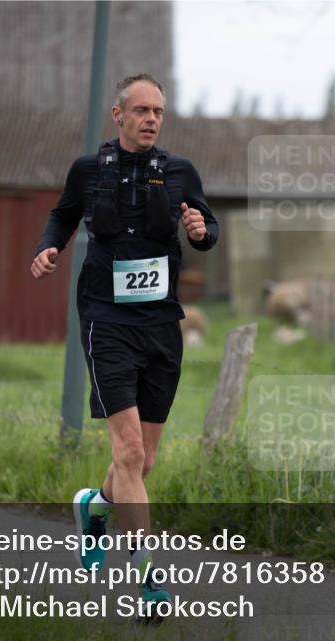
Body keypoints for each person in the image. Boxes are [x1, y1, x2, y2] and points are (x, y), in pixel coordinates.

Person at [31, 73, 218, 611]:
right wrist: (48, 249)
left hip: (161, 326)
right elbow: (62, 216)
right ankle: (147, 584)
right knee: (129, 451)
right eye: (141, 110)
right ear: (119, 116)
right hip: (106, 320)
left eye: (158, 111)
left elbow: (209, 227)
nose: (152, 119)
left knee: (145, 461)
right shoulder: (88, 171)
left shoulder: (180, 172)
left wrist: (202, 231)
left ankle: (95, 505)